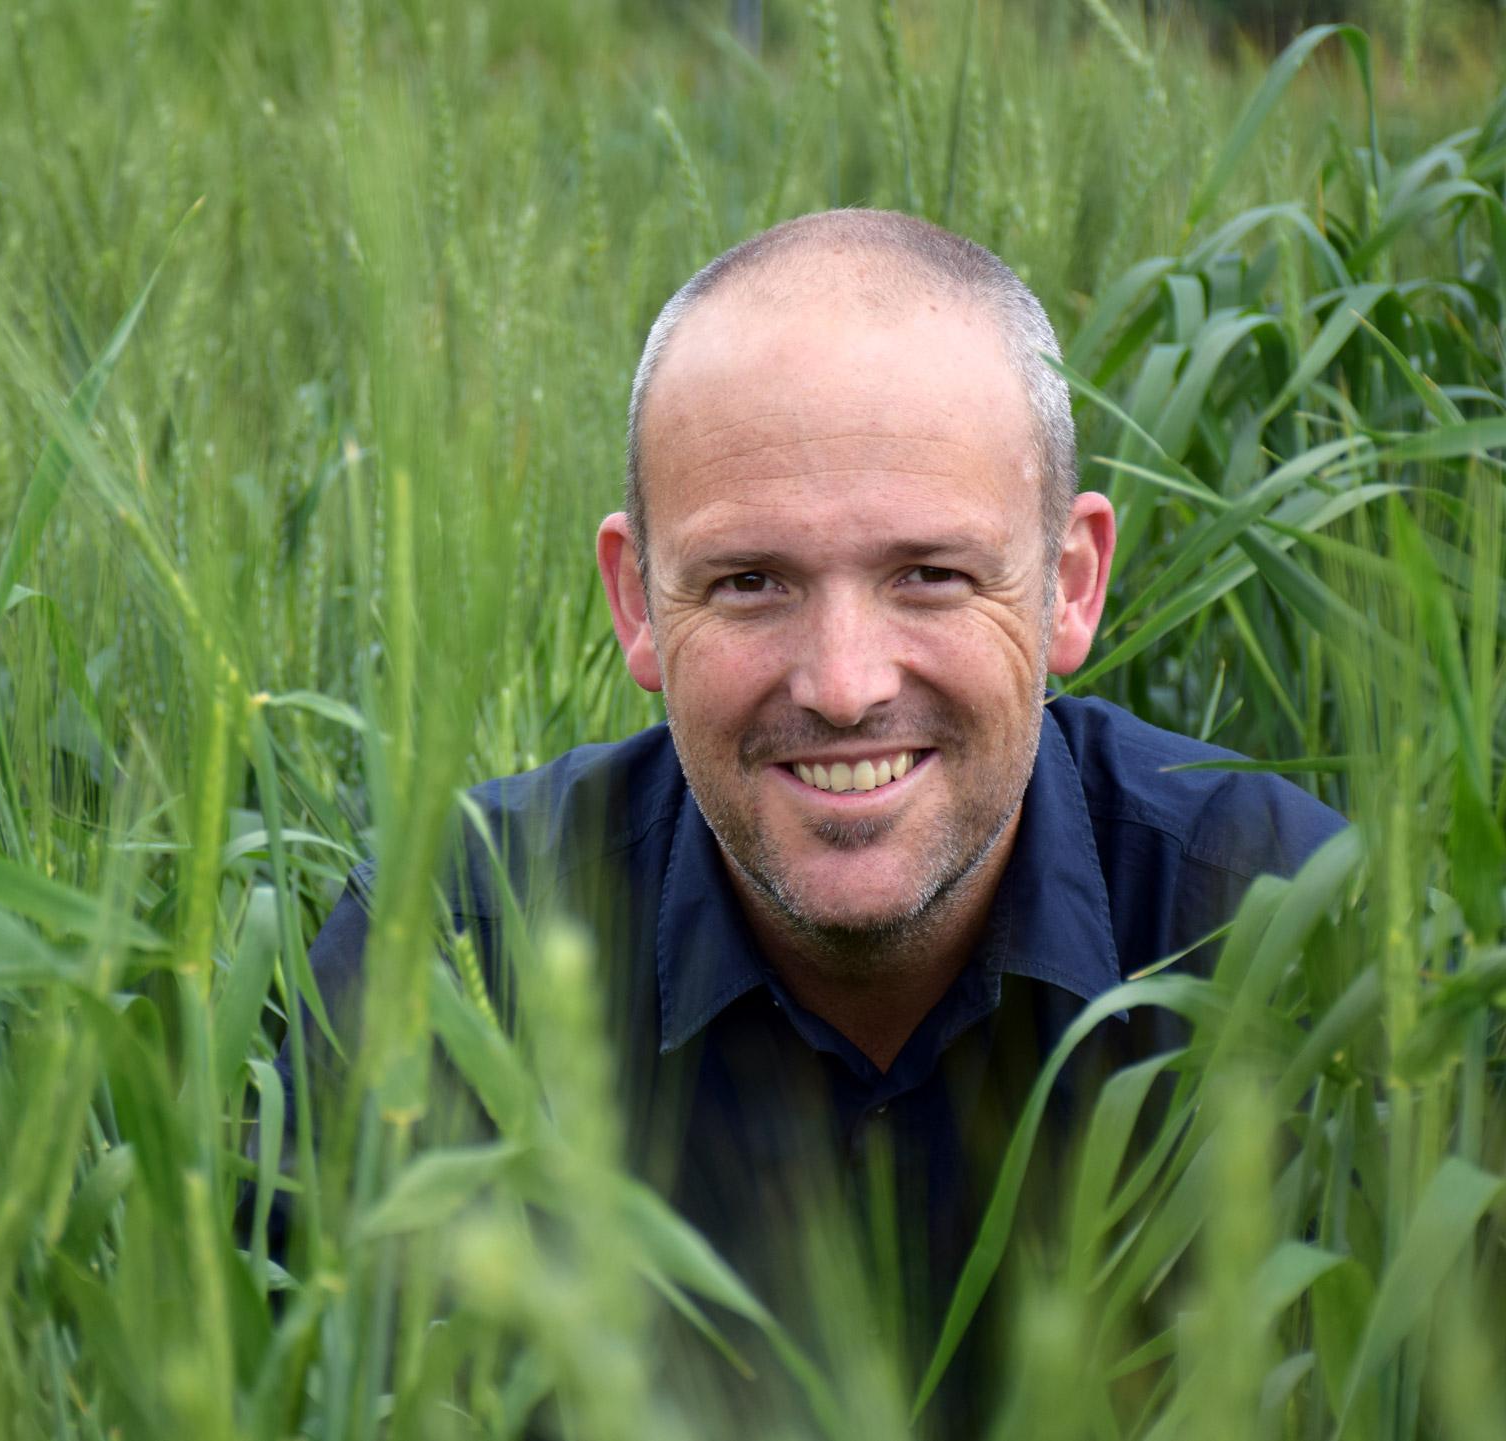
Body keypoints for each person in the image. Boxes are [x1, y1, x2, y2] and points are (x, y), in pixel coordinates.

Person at [300, 209, 1345, 1422]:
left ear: (1070, 584)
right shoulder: (444, 955)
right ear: (637, 603)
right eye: (751, 582)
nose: (844, 684)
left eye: (930, 576)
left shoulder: (1291, 935)